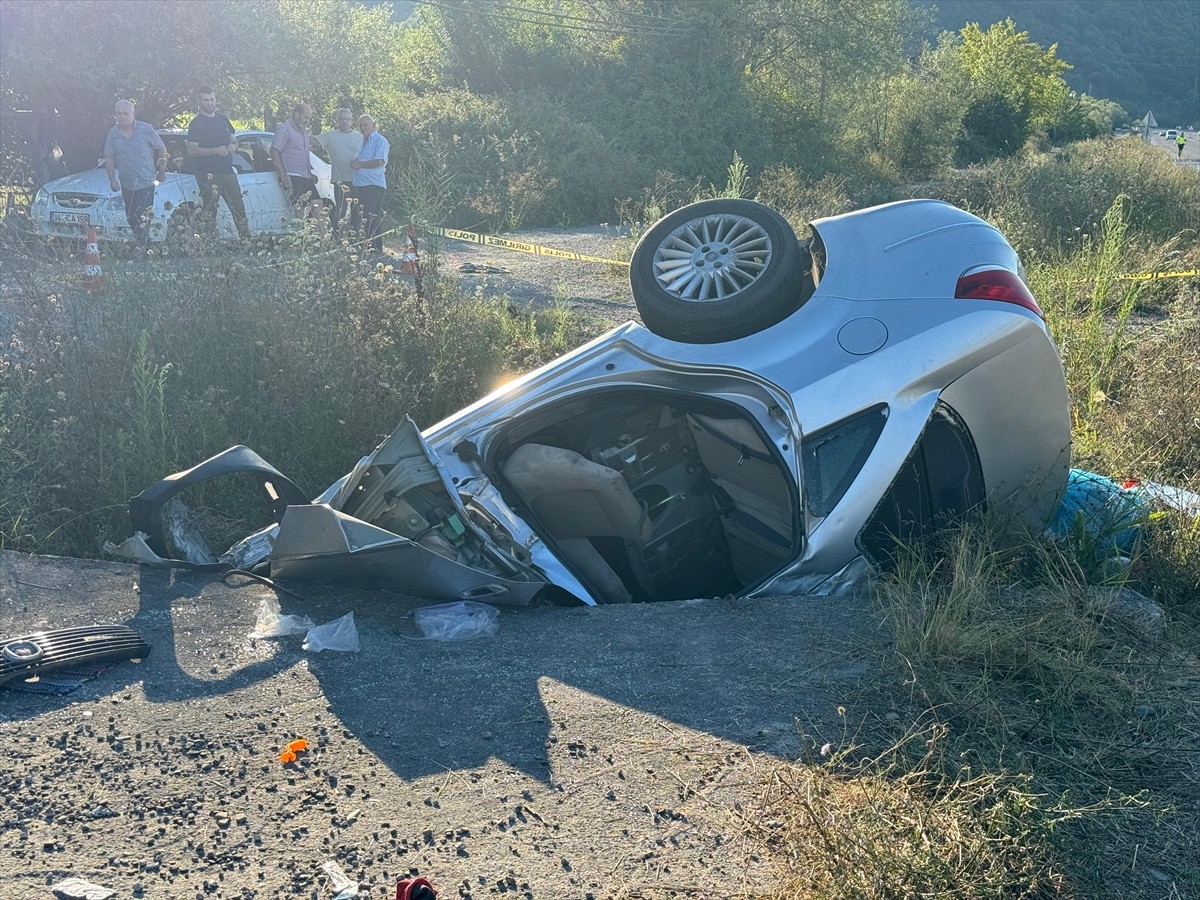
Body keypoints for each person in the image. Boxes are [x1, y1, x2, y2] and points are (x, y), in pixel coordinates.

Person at [186, 86, 252, 242]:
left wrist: (232, 147)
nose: (210, 103)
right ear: (199, 101)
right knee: (209, 211)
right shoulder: (196, 124)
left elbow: (233, 140)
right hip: (207, 173)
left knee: (238, 208)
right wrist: (215, 150)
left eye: (212, 99)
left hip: (228, 171)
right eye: (206, 100)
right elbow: (191, 150)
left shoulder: (223, 120)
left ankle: (247, 242)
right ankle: (210, 245)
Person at [103, 100, 167, 248]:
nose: (122, 117)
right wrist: (112, 179)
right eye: (119, 114)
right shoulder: (113, 134)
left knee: (142, 216)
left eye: (126, 113)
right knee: (131, 217)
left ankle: (143, 248)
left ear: (133, 114)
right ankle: (146, 244)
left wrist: (162, 170)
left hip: (146, 180)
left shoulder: (146, 129)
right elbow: (109, 156)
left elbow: (161, 148)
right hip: (126, 182)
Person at [270, 102, 322, 221]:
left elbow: (301, 154)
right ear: (296, 114)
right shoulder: (284, 129)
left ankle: (322, 238)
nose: (307, 120)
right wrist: (282, 175)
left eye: (309, 118)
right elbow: (274, 151)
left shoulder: (304, 131)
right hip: (292, 175)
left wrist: (310, 173)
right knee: (300, 209)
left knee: (317, 204)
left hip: (305, 176)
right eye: (305, 117)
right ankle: (304, 236)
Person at [316, 107, 362, 235]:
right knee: (340, 211)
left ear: (351, 120)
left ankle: (356, 237)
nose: (344, 122)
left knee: (356, 211)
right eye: (341, 119)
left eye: (347, 119)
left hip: (357, 179)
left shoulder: (359, 136)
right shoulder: (330, 136)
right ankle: (338, 237)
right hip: (340, 180)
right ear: (337, 120)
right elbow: (311, 141)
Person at [350, 115, 389, 254]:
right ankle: (366, 246)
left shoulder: (380, 141)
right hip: (360, 184)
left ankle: (376, 248)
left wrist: (359, 164)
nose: (363, 128)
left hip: (374, 185)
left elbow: (379, 161)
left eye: (366, 125)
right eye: (360, 125)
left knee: (372, 215)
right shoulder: (362, 142)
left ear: (373, 125)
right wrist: (355, 162)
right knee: (363, 216)